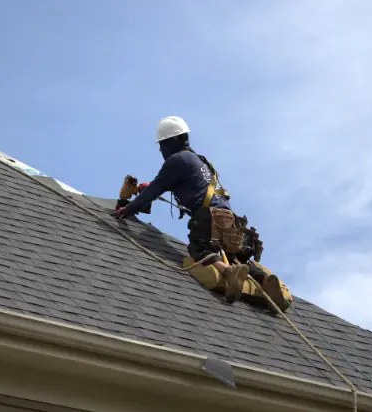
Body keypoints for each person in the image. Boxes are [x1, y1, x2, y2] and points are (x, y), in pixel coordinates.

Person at [112, 116, 288, 310]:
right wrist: (150, 186)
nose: (161, 150)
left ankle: (228, 272)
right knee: (236, 255)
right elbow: (181, 183)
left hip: (208, 215)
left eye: (161, 145)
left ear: (170, 141)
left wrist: (126, 210)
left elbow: (154, 191)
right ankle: (264, 280)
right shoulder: (198, 160)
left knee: (200, 249)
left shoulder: (176, 160)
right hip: (230, 218)